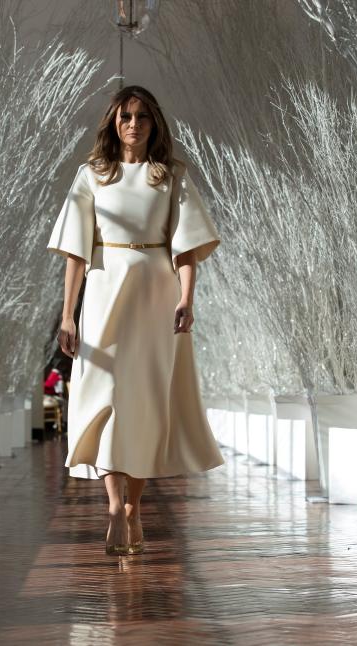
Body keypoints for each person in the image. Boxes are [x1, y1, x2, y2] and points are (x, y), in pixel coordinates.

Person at [46, 85, 225, 556]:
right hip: (104, 294)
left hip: (155, 297)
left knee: (145, 401)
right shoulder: (91, 176)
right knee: (101, 395)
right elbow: (74, 253)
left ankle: (134, 507)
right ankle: (112, 508)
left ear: (154, 123)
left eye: (143, 116)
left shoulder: (171, 176)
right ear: (113, 121)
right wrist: (68, 316)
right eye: (126, 115)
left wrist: (187, 298)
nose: (133, 124)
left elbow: (186, 247)